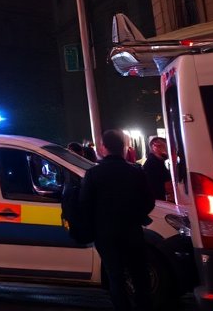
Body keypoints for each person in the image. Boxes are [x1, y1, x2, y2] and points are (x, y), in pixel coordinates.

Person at [81, 129, 156, 311]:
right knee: (139, 274)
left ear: (103, 148)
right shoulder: (135, 172)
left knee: (115, 276)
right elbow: (149, 201)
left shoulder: (93, 174)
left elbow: (85, 204)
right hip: (132, 231)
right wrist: (136, 216)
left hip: (105, 233)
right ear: (122, 148)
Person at [142, 137, 172, 202]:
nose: (167, 149)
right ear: (154, 146)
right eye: (163, 146)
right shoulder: (154, 163)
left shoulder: (157, 161)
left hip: (156, 201)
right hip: (156, 203)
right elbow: (168, 187)